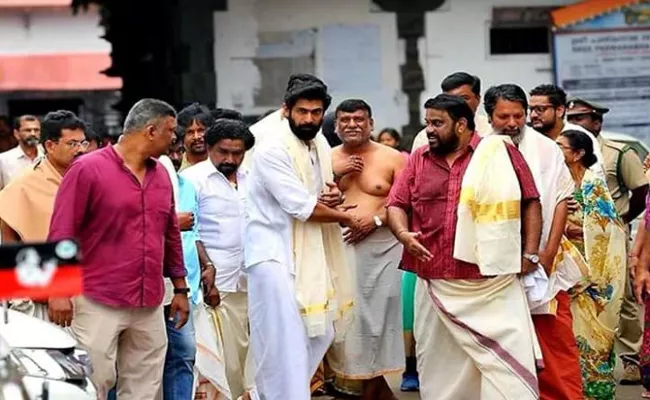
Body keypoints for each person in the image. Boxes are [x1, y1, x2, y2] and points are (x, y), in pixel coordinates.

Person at [387, 93, 543, 399]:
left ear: (461, 125)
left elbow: (531, 201)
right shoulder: (418, 158)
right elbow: (396, 204)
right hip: (435, 280)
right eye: (427, 122)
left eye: (437, 123)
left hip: (491, 282)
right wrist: (404, 235)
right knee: (440, 365)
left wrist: (530, 252)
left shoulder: (500, 153)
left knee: (505, 369)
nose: (429, 129)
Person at [47, 99, 190, 400]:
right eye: (171, 131)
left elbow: (170, 233)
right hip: (97, 297)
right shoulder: (87, 169)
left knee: (146, 389)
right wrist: (58, 290)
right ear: (151, 131)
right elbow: (62, 231)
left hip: (149, 300)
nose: (175, 139)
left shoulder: (161, 174)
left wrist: (180, 288)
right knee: (90, 383)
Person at [244, 73, 359, 400]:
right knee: (286, 340)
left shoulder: (318, 143)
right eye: (302, 112)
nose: (309, 119)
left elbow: (318, 193)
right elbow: (302, 206)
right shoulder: (271, 149)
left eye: (316, 112)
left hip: (309, 252)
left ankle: (269, 394)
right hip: (273, 255)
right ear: (286, 110)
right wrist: (347, 217)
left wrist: (333, 197)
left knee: (319, 333)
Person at [486, 84, 583, 400]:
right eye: (504, 116)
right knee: (505, 344)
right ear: (489, 117)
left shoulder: (546, 149)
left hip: (544, 264)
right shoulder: (479, 150)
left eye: (519, 115)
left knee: (554, 341)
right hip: (495, 266)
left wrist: (547, 253)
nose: (512, 123)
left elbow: (559, 201)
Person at [327, 99, 406, 400]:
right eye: (345, 120)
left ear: (371, 123)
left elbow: (404, 203)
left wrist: (373, 220)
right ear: (336, 126)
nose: (352, 125)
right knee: (345, 321)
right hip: (340, 248)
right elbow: (308, 202)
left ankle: (374, 388)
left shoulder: (392, 157)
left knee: (380, 319)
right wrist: (336, 174)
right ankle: (362, 388)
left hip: (382, 250)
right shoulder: (327, 158)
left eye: (359, 119)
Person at [567, 97, 649, 384]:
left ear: (596, 122)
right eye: (571, 117)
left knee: (621, 296)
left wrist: (621, 220)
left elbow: (641, 191)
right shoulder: (559, 153)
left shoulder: (617, 152)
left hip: (611, 235)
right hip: (573, 241)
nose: (575, 123)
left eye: (580, 118)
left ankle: (630, 358)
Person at [182, 118, 256, 399]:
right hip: (213, 283)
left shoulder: (251, 177)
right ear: (210, 147)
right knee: (218, 359)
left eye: (237, 153)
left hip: (249, 278)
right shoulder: (193, 180)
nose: (230, 159)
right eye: (223, 152)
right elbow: (191, 231)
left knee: (245, 354)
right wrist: (206, 269)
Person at [556, 129, 626, 399]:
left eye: (561, 147)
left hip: (593, 277)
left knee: (594, 341)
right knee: (567, 340)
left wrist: (578, 226)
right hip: (566, 273)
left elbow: (607, 229)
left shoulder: (593, 184)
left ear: (578, 154)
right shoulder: (558, 182)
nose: (555, 150)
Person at [0, 110, 87, 319]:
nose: (80, 150)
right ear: (50, 145)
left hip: (94, 291)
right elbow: (10, 238)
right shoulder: (24, 185)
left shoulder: (92, 177)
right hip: (44, 294)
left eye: (83, 143)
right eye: (72, 144)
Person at [157, 136, 203, 400]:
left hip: (178, 284)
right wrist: (172, 223)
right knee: (142, 360)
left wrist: (183, 287)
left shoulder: (187, 185)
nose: (173, 156)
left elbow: (193, 235)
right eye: (169, 149)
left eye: (177, 150)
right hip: (144, 286)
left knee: (184, 353)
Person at [528, 84, 606, 181]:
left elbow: (596, 178)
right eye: (531, 109)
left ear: (559, 110)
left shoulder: (581, 137)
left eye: (540, 109)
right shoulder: (527, 138)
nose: (533, 115)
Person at [411, 72, 491, 150]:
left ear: (478, 99)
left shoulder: (490, 131)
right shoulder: (425, 138)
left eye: (464, 98)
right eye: (450, 99)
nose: (458, 104)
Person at [0, 115, 42, 189]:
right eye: (28, 130)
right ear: (16, 134)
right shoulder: (3, 160)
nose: (33, 134)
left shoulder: (48, 159)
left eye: (36, 130)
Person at [177, 103, 215, 171]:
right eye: (190, 132)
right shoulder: (176, 165)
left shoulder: (219, 164)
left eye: (201, 130)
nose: (196, 137)